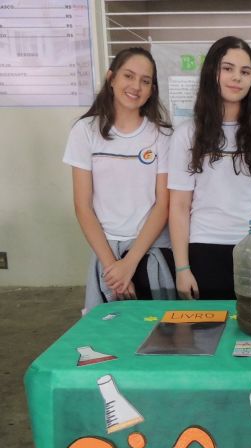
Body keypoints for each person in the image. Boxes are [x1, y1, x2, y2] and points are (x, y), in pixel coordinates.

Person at [168, 36, 251, 300]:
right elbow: (179, 205)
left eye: (245, 71)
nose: (237, 77)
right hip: (205, 249)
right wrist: (182, 268)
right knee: (213, 327)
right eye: (228, 68)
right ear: (212, 73)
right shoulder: (187, 134)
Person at [63, 47, 176, 312]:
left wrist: (130, 263)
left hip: (150, 251)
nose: (136, 86)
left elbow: (163, 205)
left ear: (152, 89)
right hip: (107, 255)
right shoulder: (85, 131)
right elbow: (83, 206)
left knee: (159, 329)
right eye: (128, 76)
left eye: (145, 81)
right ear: (111, 78)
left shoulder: (162, 136)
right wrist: (113, 268)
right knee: (111, 333)